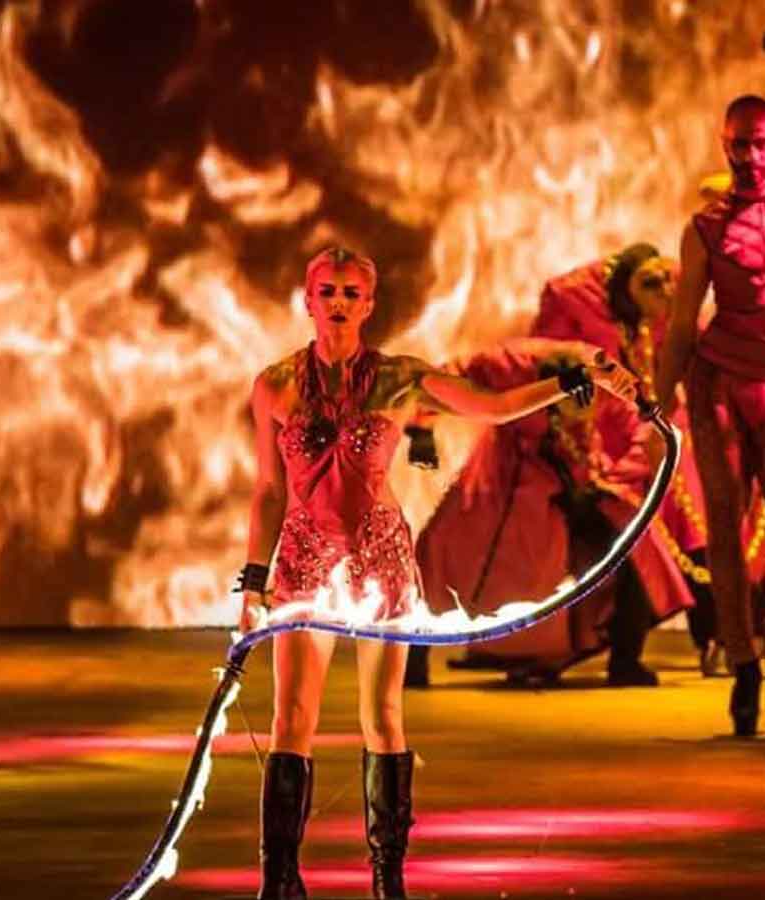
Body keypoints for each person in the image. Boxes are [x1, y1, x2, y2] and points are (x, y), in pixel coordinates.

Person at [238, 246, 635, 900]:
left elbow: (492, 406)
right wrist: (255, 577)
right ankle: (280, 879)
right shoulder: (274, 385)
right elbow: (266, 490)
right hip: (304, 560)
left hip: (379, 559)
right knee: (291, 721)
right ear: (307, 300)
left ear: (368, 304)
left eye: (350, 292)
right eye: (326, 290)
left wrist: (568, 379)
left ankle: (387, 878)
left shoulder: (399, 380)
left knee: (385, 716)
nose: (337, 302)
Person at [410, 244, 710, 688]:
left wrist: (610, 482)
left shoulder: (607, 376)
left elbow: (641, 431)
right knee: (439, 554)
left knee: (636, 552)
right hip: (509, 476)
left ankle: (621, 660)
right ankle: (421, 664)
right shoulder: (514, 363)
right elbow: (445, 378)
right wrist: (421, 429)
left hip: (586, 477)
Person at [656, 94, 765, 738]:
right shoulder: (704, 227)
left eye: (758, 142)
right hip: (720, 382)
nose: (749, 156)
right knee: (723, 528)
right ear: (722, 147)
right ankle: (745, 665)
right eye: (737, 144)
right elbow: (680, 324)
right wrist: (655, 396)